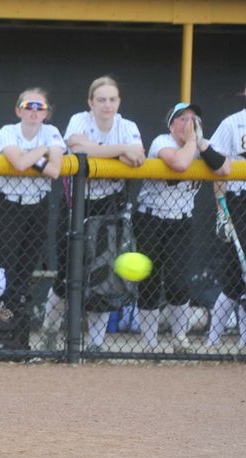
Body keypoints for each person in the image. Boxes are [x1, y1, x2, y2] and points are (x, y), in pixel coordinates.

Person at [41, 76, 145, 350]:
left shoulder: (128, 126)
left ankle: (96, 344)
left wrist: (104, 150)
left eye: (112, 99)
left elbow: (137, 156)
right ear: (91, 102)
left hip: (111, 206)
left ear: (119, 102)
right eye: (101, 99)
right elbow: (77, 148)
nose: (107, 105)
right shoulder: (79, 120)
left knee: (103, 278)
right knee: (66, 274)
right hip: (76, 205)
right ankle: (49, 331)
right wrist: (119, 150)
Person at [136, 103, 230, 353]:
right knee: (149, 281)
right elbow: (178, 164)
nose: (188, 124)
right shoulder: (161, 141)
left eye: (193, 119)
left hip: (181, 222)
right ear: (171, 125)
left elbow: (224, 169)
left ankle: (180, 339)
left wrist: (200, 143)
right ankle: (149, 344)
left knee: (178, 282)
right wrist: (192, 142)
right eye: (182, 119)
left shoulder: (202, 145)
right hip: (150, 219)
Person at [0, 88, 65, 349]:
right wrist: (42, 150)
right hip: (10, 205)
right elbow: (19, 163)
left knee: (25, 271)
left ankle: (18, 338)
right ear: (18, 110)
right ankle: (0, 331)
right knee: (5, 269)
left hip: (38, 207)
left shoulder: (53, 131)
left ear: (46, 112)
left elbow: (55, 170)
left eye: (40, 107)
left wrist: (32, 155)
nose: (34, 111)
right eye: (29, 105)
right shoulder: (7, 131)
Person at [205, 90, 244, 350]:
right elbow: (216, 166)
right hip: (239, 203)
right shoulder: (232, 123)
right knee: (234, 277)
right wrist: (222, 209)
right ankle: (212, 343)